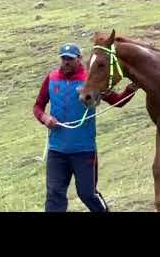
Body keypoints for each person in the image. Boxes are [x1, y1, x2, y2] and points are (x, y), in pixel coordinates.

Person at [33, 43, 138, 212]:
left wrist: (131, 89)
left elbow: (117, 101)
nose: (66, 62)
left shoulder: (90, 80)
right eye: (63, 58)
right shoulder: (51, 79)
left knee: (87, 194)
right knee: (54, 194)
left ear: (79, 59)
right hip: (57, 150)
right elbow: (37, 106)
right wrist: (44, 117)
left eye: (70, 59)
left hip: (84, 150)